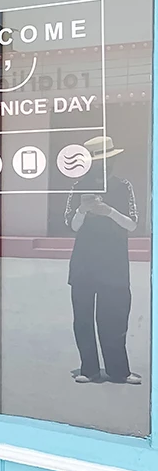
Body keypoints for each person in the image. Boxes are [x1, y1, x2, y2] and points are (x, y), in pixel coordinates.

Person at [64, 135, 141, 385]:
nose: (103, 167)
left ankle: (119, 371)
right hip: (84, 263)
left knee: (116, 318)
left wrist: (108, 211)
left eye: (107, 161)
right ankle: (89, 369)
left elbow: (132, 224)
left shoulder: (123, 186)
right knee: (83, 319)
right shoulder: (78, 187)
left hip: (114, 263)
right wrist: (83, 210)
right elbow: (71, 225)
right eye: (98, 163)